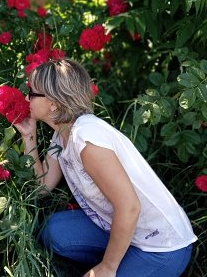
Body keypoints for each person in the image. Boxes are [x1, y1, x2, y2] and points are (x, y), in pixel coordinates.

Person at [14, 59, 197, 277]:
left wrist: (107, 268)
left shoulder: (87, 140)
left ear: (53, 102)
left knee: (105, 269)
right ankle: (120, 259)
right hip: (122, 228)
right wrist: (29, 136)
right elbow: (41, 187)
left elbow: (129, 207)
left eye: (31, 93)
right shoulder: (61, 135)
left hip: (161, 247)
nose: (26, 98)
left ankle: (116, 264)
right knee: (54, 232)